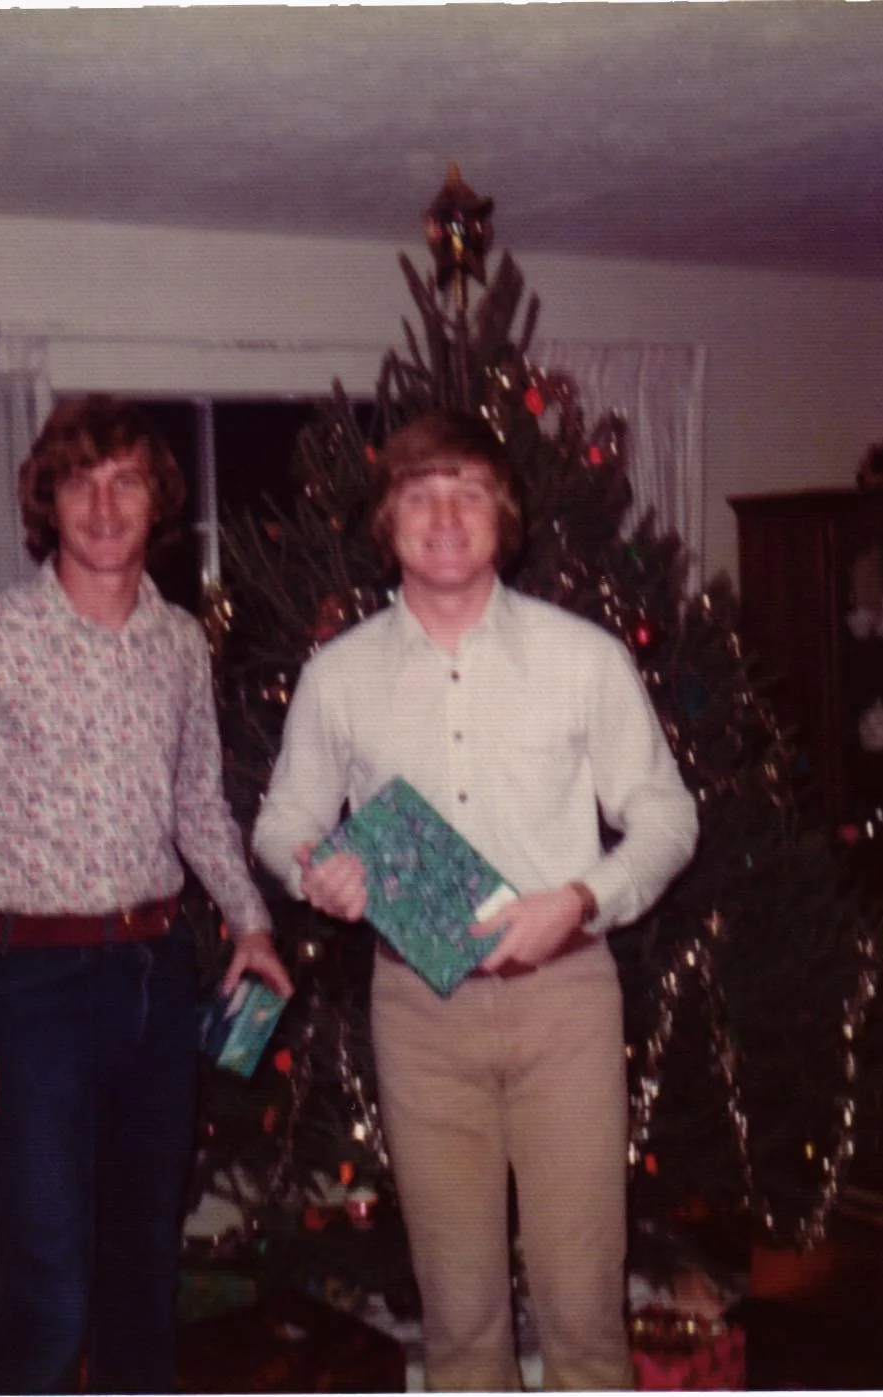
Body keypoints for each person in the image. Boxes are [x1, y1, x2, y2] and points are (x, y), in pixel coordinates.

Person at [252, 409, 698, 1390]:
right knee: (458, 1320)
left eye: (468, 495)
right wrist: (310, 865)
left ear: (504, 517)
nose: (445, 517)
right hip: (419, 1012)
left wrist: (579, 897)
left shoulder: (582, 657)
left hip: (563, 1002)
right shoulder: (338, 674)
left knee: (584, 1310)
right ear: (387, 522)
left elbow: (668, 815)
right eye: (420, 495)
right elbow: (283, 816)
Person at [0, 394, 290, 1394]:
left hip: (155, 979)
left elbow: (196, 802)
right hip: (31, 991)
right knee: (50, 1296)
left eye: (127, 481)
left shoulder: (179, 643)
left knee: (141, 1284)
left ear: (158, 498)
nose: (105, 505)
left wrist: (249, 920)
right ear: (49, 500)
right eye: (81, 481)